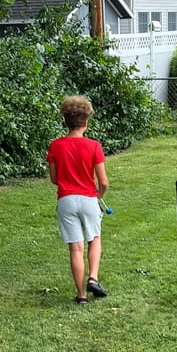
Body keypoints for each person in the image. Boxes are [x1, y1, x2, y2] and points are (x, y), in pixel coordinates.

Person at [47, 95, 110, 304]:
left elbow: (55, 179)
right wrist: (99, 194)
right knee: (95, 238)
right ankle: (93, 277)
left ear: (66, 121)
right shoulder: (93, 146)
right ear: (86, 122)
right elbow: (103, 182)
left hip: (66, 200)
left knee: (76, 248)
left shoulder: (55, 146)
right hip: (88, 199)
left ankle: (81, 295)